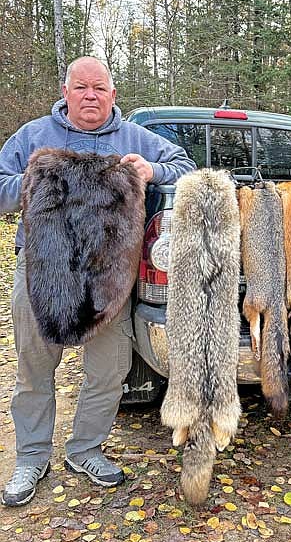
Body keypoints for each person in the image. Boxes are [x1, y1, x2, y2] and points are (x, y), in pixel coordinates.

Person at [0, 56, 196, 507]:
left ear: (113, 94)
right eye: (81, 87)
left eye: (99, 88)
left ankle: (85, 449)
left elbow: (184, 167)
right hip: (41, 273)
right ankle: (31, 456)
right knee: (34, 369)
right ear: (66, 92)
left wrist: (153, 170)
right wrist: (32, 185)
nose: (91, 96)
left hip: (110, 277)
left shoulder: (134, 139)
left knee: (109, 371)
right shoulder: (33, 136)